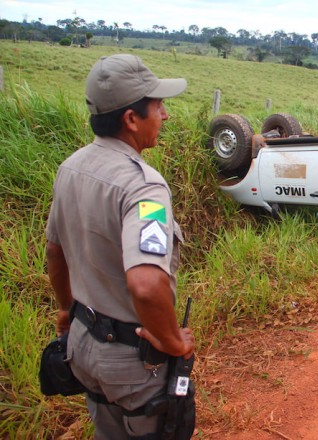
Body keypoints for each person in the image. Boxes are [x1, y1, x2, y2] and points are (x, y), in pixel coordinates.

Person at [46, 54, 195, 439]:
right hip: (132, 361)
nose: (164, 115)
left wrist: (66, 309)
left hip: (82, 344)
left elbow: (55, 252)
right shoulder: (144, 187)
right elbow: (146, 285)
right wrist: (174, 342)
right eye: (158, 106)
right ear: (131, 119)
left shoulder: (71, 167)